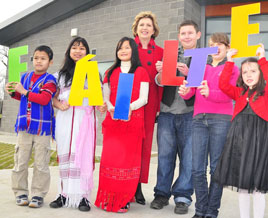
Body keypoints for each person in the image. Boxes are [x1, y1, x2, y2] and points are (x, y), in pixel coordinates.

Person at [179, 33, 239, 218]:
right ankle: (200, 210)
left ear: (227, 47)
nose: (215, 47)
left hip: (220, 119)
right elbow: (190, 94)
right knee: (197, 168)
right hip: (198, 119)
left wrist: (209, 92)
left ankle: (212, 212)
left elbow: (231, 95)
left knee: (215, 169)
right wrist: (186, 91)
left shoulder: (233, 68)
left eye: (219, 44)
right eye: (212, 44)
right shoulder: (200, 66)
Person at [150, 20, 201, 215]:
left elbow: (206, 82)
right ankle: (161, 194)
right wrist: (160, 73)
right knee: (164, 157)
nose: (186, 36)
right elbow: (158, 82)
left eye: (190, 33)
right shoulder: (169, 54)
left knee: (188, 158)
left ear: (197, 34)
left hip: (190, 115)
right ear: (179, 36)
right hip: (167, 113)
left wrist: (191, 74)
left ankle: (182, 197)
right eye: (183, 33)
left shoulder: (202, 57)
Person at [95, 37, 150, 213]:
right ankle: (109, 197)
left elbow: (144, 98)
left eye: (127, 47)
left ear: (133, 50)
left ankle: (124, 198)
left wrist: (129, 108)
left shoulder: (141, 72)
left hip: (132, 122)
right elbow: (106, 95)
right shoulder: (111, 72)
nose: (123, 51)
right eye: (120, 48)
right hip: (113, 123)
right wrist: (111, 108)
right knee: (111, 160)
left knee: (127, 162)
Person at [213, 44, 268, 218]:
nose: (249, 75)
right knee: (242, 185)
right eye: (245, 72)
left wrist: (262, 59)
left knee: (259, 186)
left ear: (260, 74)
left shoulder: (265, 92)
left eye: (253, 71)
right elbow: (222, 84)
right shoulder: (239, 93)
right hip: (240, 143)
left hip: (261, 143)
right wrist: (229, 61)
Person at [49, 37, 100, 212]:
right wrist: (59, 105)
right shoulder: (60, 75)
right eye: (74, 48)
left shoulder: (93, 72)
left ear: (87, 52)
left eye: (82, 48)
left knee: (82, 155)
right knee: (64, 154)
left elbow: (98, 98)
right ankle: (63, 194)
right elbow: (52, 97)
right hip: (65, 119)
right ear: (69, 52)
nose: (78, 51)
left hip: (84, 119)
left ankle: (83, 197)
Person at [5, 45, 57, 208]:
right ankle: (20, 192)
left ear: (50, 62)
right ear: (32, 60)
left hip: (42, 127)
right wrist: (12, 92)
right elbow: (21, 97)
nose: (39, 61)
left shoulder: (50, 80)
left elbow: (43, 99)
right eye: (36, 58)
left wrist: (24, 91)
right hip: (24, 126)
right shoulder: (25, 77)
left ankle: (38, 194)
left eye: (43, 58)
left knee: (41, 164)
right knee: (20, 161)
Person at [131, 11, 163, 205]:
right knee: (130, 145)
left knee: (144, 146)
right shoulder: (128, 47)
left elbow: (163, 82)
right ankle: (128, 184)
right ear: (136, 28)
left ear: (153, 30)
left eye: (148, 25)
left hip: (150, 104)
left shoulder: (160, 52)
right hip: (131, 103)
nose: (145, 28)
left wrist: (158, 107)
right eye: (141, 24)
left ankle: (138, 187)